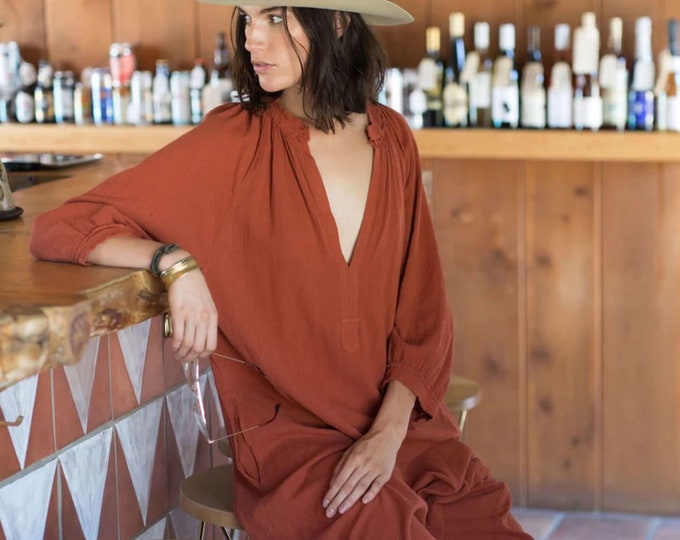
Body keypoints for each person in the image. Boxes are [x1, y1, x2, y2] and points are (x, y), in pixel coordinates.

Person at [30, 1, 533, 538]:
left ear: (337, 20)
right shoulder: (235, 143)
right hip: (300, 452)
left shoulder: (393, 139)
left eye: (273, 16)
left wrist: (387, 436)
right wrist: (174, 263)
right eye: (246, 18)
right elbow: (61, 227)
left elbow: (423, 315)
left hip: (403, 432)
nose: (252, 38)